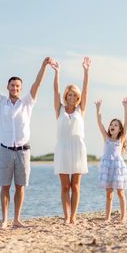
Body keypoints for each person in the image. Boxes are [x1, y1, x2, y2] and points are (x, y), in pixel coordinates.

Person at [0, 47, 52, 229]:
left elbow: (37, 83)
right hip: (5, 149)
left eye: (18, 86)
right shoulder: (1, 102)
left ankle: (17, 219)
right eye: (12, 85)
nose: (15, 88)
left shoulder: (27, 103)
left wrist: (43, 66)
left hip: (23, 150)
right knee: (5, 186)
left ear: (20, 88)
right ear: (8, 87)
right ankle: (4, 219)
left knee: (20, 186)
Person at [50, 57, 91, 224]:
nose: (72, 97)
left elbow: (86, 90)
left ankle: (73, 216)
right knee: (65, 186)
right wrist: (57, 73)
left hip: (77, 148)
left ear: (78, 97)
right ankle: (66, 217)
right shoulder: (59, 109)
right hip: (62, 148)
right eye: (69, 94)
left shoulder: (81, 110)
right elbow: (55, 91)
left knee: (75, 186)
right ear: (66, 96)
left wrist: (86, 72)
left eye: (75, 95)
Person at [95, 97, 127, 223]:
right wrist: (98, 108)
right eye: (111, 124)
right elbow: (99, 123)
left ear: (120, 129)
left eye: (116, 125)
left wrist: (125, 107)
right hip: (107, 167)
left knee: (121, 193)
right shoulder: (107, 138)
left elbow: (126, 123)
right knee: (109, 194)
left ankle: (123, 217)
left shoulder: (120, 140)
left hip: (118, 167)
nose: (112, 126)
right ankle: (107, 217)